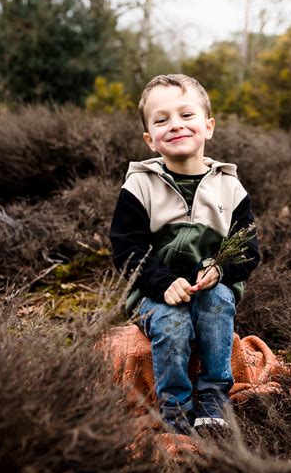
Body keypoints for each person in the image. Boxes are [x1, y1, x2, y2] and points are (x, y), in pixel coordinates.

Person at [109, 74, 260, 435]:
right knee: (172, 323)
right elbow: (126, 250)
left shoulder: (230, 186)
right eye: (161, 120)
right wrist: (161, 284)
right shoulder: (139, 185)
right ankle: (175, 407)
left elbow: (248, 249)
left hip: (210, 286)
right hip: (153, 292)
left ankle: (213, 394)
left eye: (186, 115)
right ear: (149, 139)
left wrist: (219, 268)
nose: (175, 124)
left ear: (208, 126)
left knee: (218, 302)